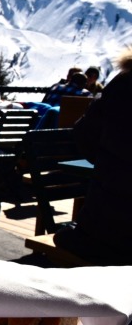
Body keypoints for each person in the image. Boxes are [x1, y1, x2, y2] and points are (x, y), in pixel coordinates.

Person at [54, 47, 132, 265]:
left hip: (105, 229)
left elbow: (84, 134)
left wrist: (110, 164)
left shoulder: (123, 82)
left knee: (68, 235)